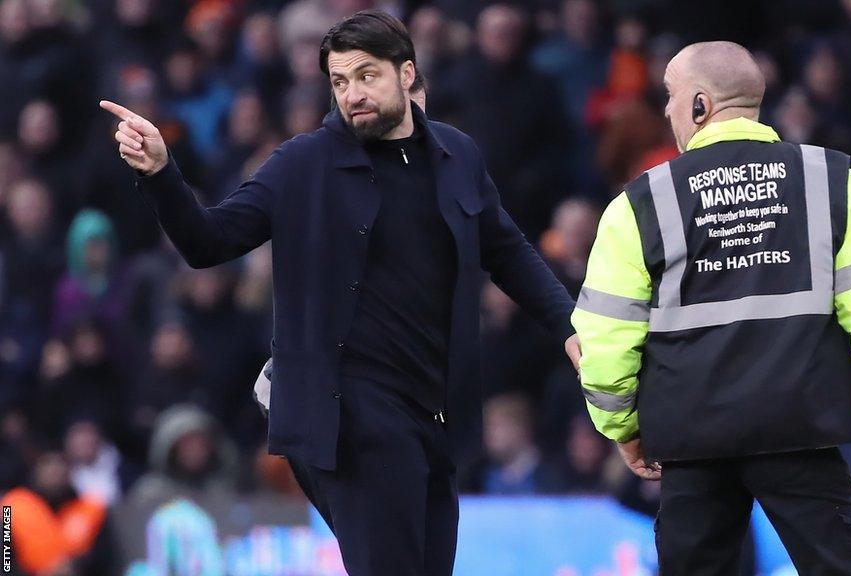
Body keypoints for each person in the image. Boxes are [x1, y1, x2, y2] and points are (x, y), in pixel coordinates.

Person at [100, 10, 579, 576]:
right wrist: (160, 173)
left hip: (438, 417)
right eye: (339, 81)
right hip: (350, 419)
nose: (352, 94)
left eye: (366, 76)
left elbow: (509, 253)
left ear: (407, 74)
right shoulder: (303, 164)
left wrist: (571, 327)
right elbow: (210, 241)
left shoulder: (458, 156)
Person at [571, 41, 851, 575]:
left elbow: (607, 339)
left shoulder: (642, 204)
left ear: (701, 105)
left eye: (671, 96)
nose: (665, 110)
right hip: (799, 426)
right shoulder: (832, 182)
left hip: (692, 436)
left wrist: (624, 427)